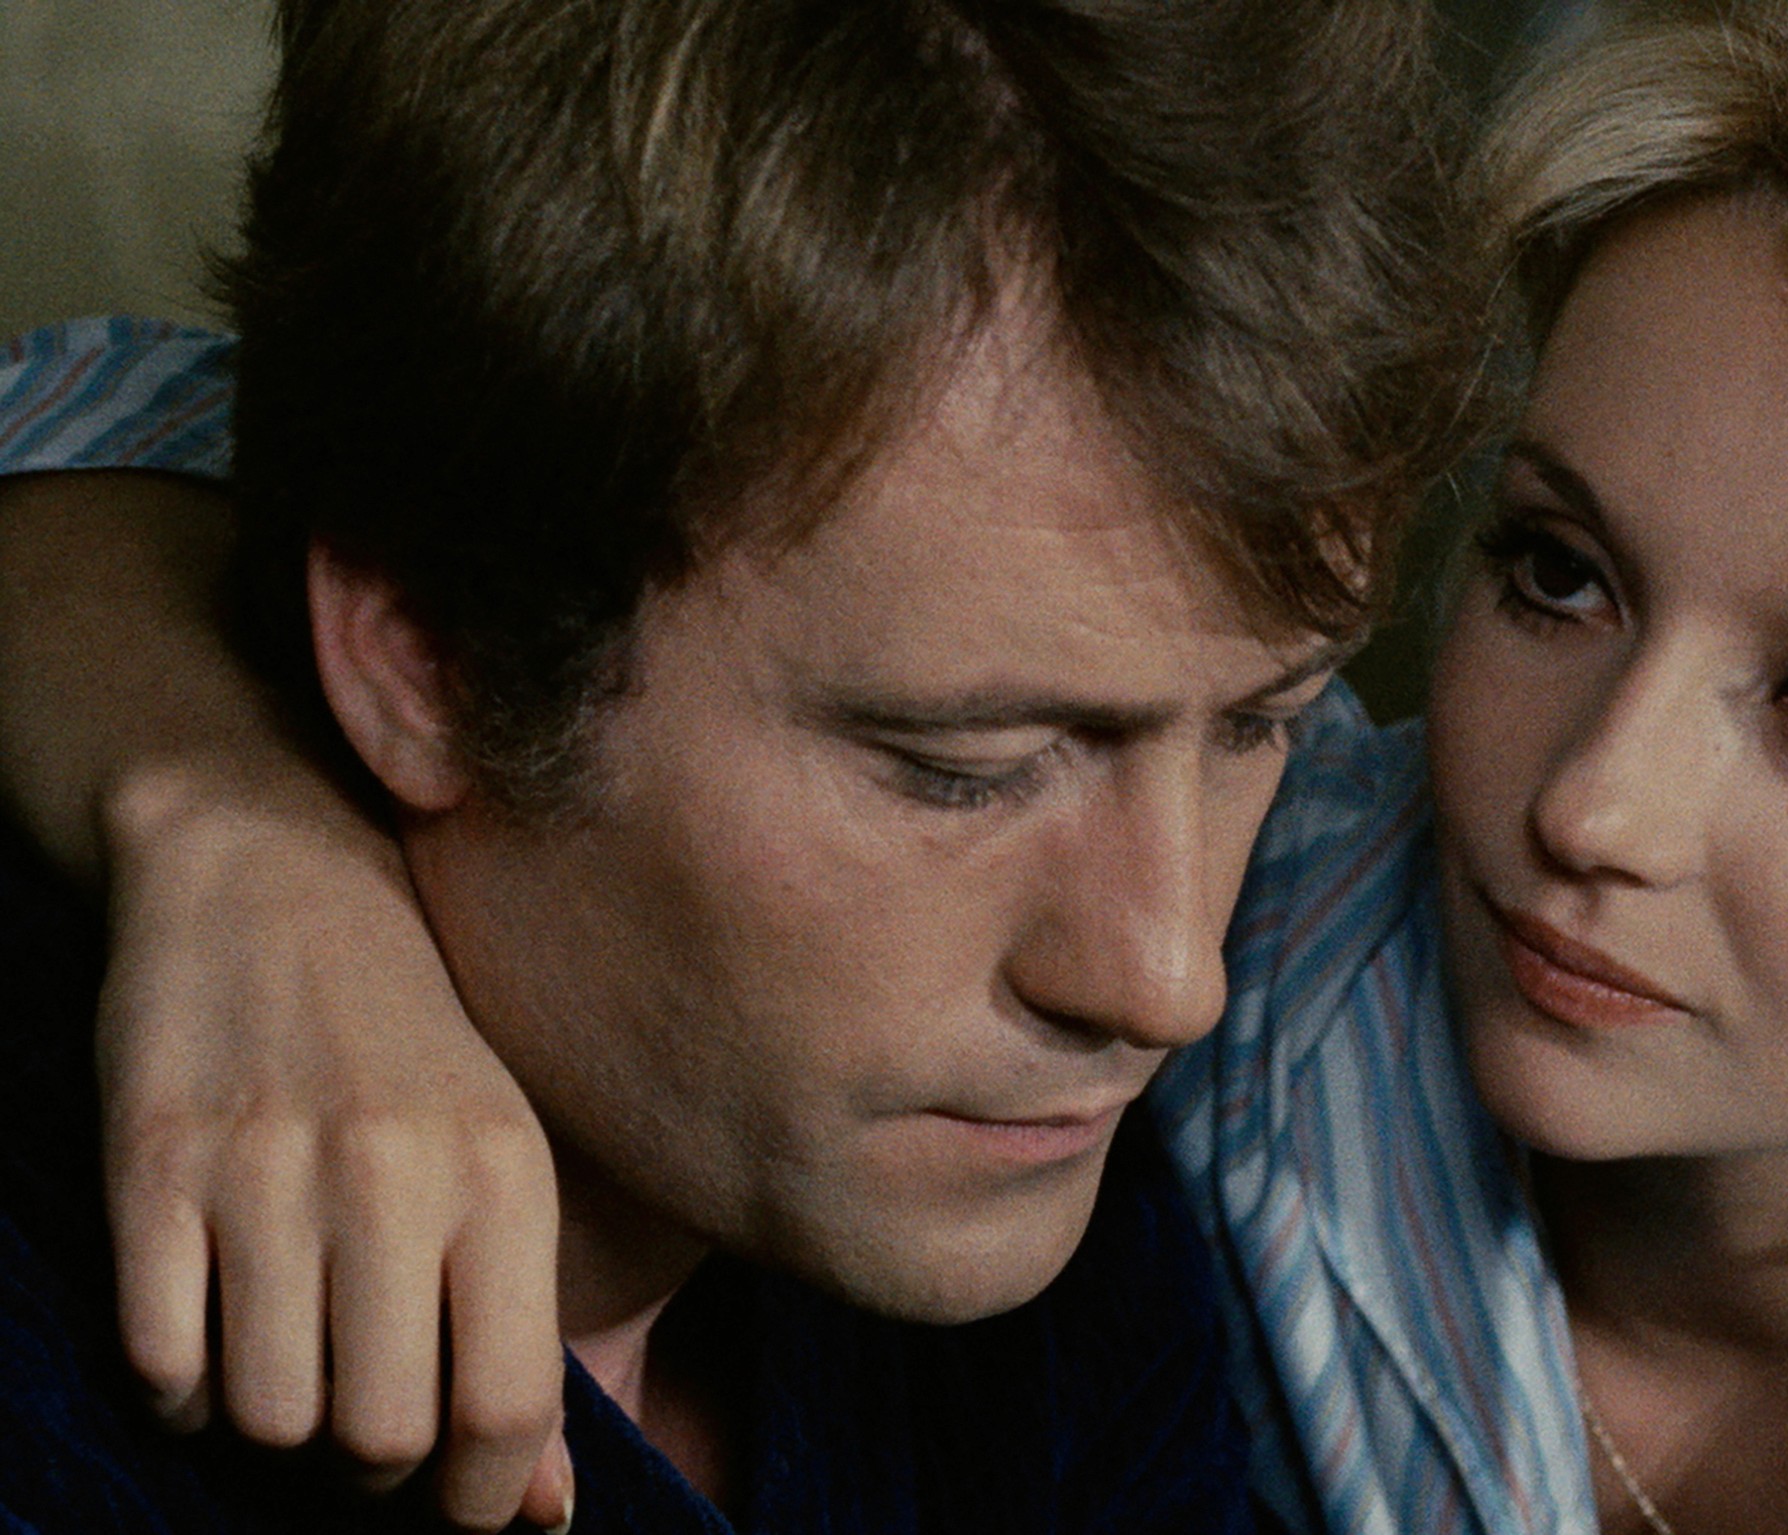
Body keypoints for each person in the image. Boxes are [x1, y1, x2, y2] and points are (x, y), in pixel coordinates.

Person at [0, 0, 1788, 1533]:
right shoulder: (1273, 941)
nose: (1585, 807)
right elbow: (213, 425)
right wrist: (230, 832)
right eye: (1551, 572)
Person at [0, 0, 1485, 1529]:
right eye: (965, 768)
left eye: (1260, 723)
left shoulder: (1059, 1260)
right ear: (429, 657)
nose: (1168, 980)